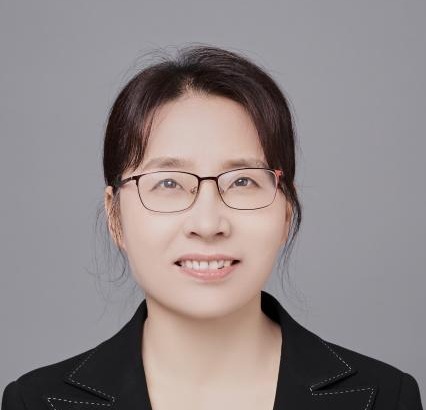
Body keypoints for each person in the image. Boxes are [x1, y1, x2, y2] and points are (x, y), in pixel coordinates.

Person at [1, 45, 423, 410]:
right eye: (168, 183)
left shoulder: (387, 398)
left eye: (242, 181)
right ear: (115, 217)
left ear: (287, 211)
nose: (208, 224)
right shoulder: (34, 402)